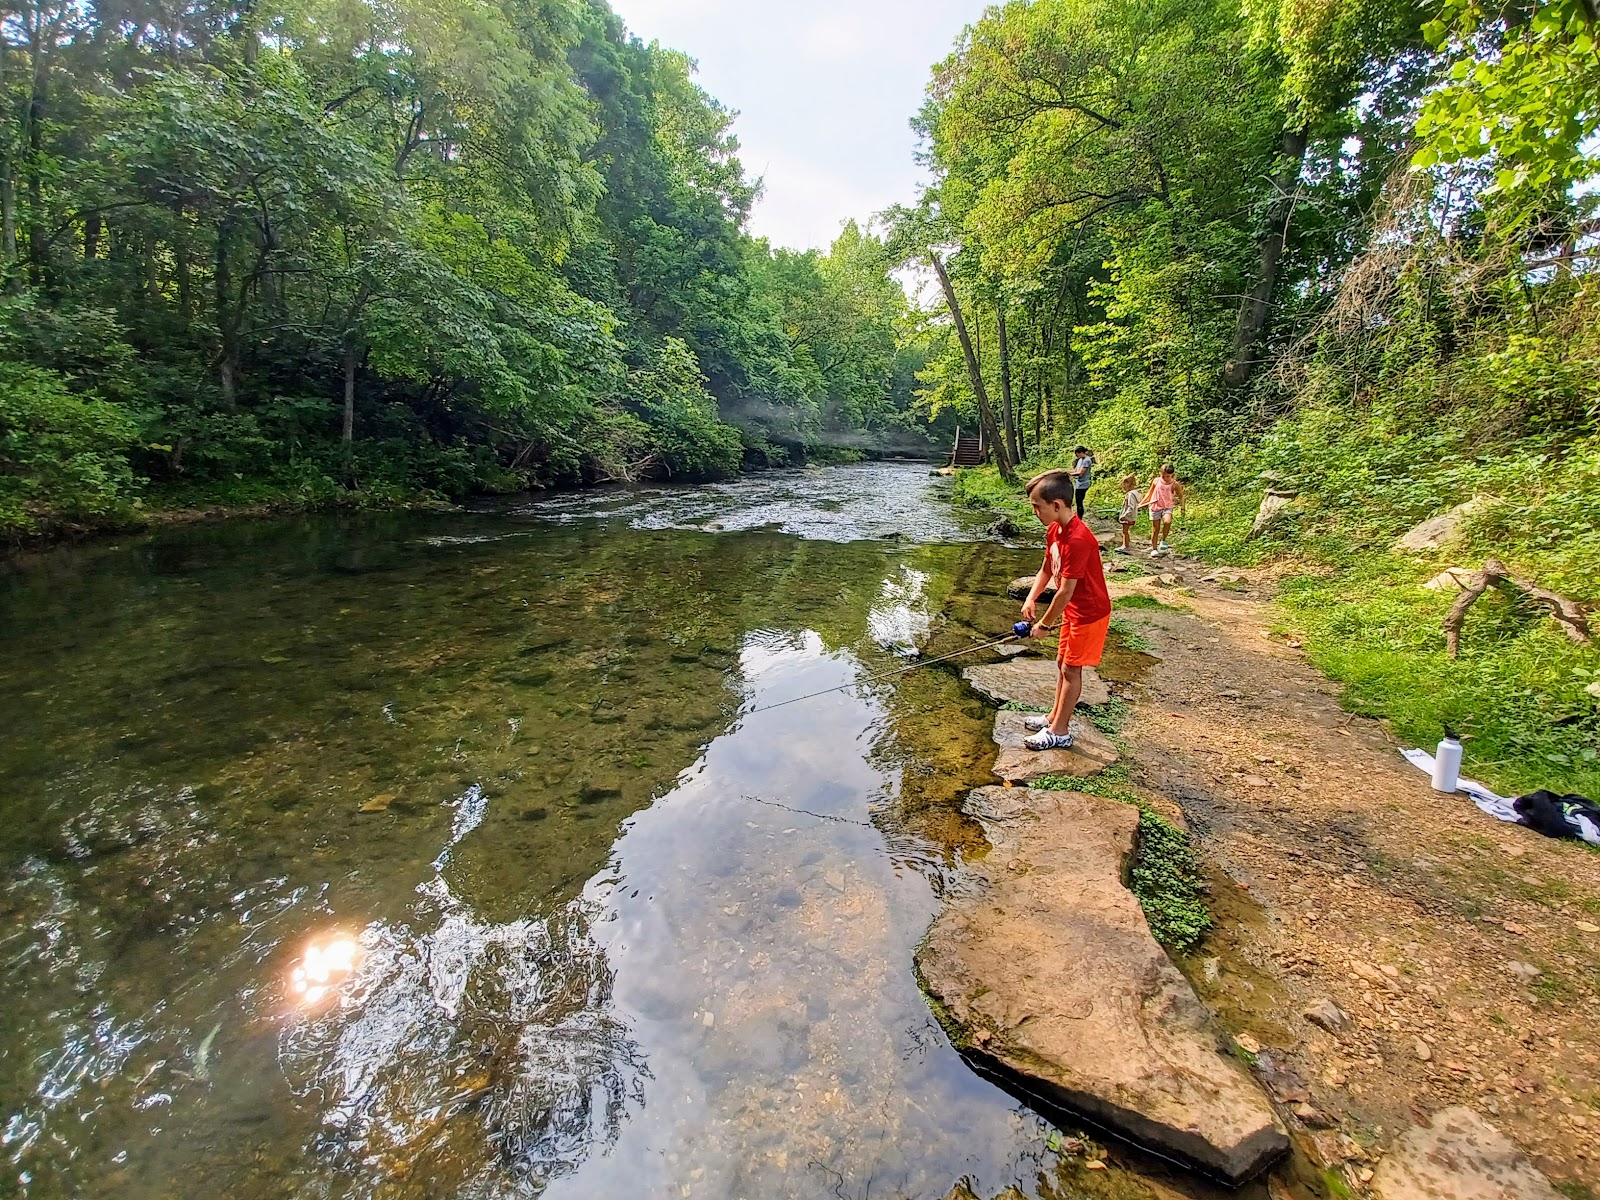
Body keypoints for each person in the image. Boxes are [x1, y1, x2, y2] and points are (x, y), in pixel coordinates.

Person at [1017, 468, 1112, 751]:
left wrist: (1044, 625)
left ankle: (1059, 731)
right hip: (1073, 612)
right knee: (1062, 664)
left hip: (1089, 612)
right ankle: (1052, 717)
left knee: (1072, 670)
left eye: (1037, 507)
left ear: (1056, 505)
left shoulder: (1079, 539)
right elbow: (1047, 568)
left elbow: (1065, 590)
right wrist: (1031, 598)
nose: (1035, 512)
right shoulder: (1055, 531)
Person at [1142, 462, 1186, 558]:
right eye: (1163, 476)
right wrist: (1142, 503)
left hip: (1167, 507)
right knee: (1155, 529)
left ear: (1172, 475)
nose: (1165, 478)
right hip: (1155, 507)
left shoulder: (1175, 484)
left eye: (1167, 476)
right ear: (1160, 474)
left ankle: (1163, 539)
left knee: (1167, 521)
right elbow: (1149, 493)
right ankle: (1154, 548)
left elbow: (1181, 496)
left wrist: (1183, 508)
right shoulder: (1156, 481)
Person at [1067, 445, 1095, 519]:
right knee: (1077, 501)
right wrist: (1066, 473)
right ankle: (1078, 516)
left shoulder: (1087, 460)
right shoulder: (1080, 460)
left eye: (1077, 454)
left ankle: (1080, 518)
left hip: (1083, 484)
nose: (1076, 456)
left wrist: (1069, 474)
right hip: (1078, 483)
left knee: (1079, 502)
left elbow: (1080, 473)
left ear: (1081, 452)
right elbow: (1075, 471)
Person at [1115, 473, 1139, 554]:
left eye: (1124, 484)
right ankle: (1126, 544)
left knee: (1125, 531)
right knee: (1125, 531)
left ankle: (1125, 545)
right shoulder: (1135, 493)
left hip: (1128, 517)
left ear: (1129, 484)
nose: (1123, 486)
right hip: (1131, 516)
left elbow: (1130, 507)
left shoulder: (1130, 495)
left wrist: (1124, 516)